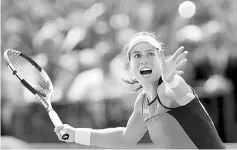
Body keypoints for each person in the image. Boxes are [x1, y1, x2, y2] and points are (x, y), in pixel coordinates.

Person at [54, 32, 226, 149]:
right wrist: (77, 134)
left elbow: (180, 91)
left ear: (161, 59)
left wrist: (172, 79)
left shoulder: (169, 89)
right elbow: (126, 138)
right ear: (130, 66)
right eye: (137, 55)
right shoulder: (143, 102)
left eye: (150, 54)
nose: (144, 60)